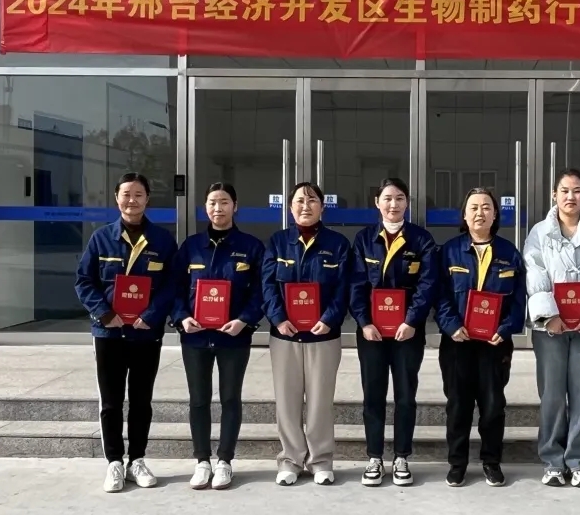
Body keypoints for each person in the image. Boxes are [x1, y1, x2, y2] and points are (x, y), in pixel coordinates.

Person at [74, 172, 178, 493]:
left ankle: (137, 460)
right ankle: (114, 462)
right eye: (126, 194)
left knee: (142, 400)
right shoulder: (101, 238)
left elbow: (172, 284)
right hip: (109, 333)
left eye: (138, 195)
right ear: (117, 198)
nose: (132, 200)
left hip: (146, 334)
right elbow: (84, 281)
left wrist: (152, 315)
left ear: (148, 199)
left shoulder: (163, 241)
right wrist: (104, 313)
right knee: (111, 401)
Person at [524, 169, 580, 488]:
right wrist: (549, 315)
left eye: (577, 190)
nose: (570, 196)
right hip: (550, 327)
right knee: (551, 395)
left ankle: (578, 461)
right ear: (554, 195)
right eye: (564, 190)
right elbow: (535, 275)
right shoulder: (539, 233)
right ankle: (552, 461)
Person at [170, 183, 265, 490]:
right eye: (212, 202)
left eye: (224, 202)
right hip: (195, 338)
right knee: (198, 400)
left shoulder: (251, 247)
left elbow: (261, 291)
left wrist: (244, 320)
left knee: (230, 398)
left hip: (233, 337)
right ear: (205, 208)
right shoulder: (191, 246)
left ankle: (224, 460)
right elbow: (174, 287)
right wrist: (181, 317)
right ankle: (202, 461)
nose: (218, 208)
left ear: (235, 206)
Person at [435, 187, 527, 488]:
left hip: (494, 344)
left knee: (492, 405)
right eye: (473, 207)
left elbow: (519, 300)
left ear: (495, 214)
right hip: (457, 343)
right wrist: (451, 325)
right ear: (464, 215)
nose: (480, 213)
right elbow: (440, 295)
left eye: (486, 207)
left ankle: (491, 461)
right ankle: (457, 463)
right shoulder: (449, 251)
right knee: (458, 405)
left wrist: (506, 328)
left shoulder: (509, 253)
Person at [349, 178, 438, 487]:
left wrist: (412, 321)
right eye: (387, 198)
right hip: (371, 333)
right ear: (377, 202)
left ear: (407, 203)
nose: (393, 204)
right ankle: (374, 457)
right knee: (373, 395)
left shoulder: (421, 240)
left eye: (399, 198)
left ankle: (402, 456)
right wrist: (364, 322)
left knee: (405, 395)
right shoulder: (364, 239)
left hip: (407, 333)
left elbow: (428, 284)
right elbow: (356, 284)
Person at [262, 182, 351, 487]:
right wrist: (278, 318)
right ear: (290, 207)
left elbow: (344, 288)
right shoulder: (277, 242)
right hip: (284, 336)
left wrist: (329, 319)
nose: (305, 205)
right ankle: (290, 459)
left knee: (320, 402)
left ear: (322, 207)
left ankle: (321, 460)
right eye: (299, 200)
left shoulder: (338, 244)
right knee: (286, 402)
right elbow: (267, 285)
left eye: (312, 200)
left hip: (323, 336)